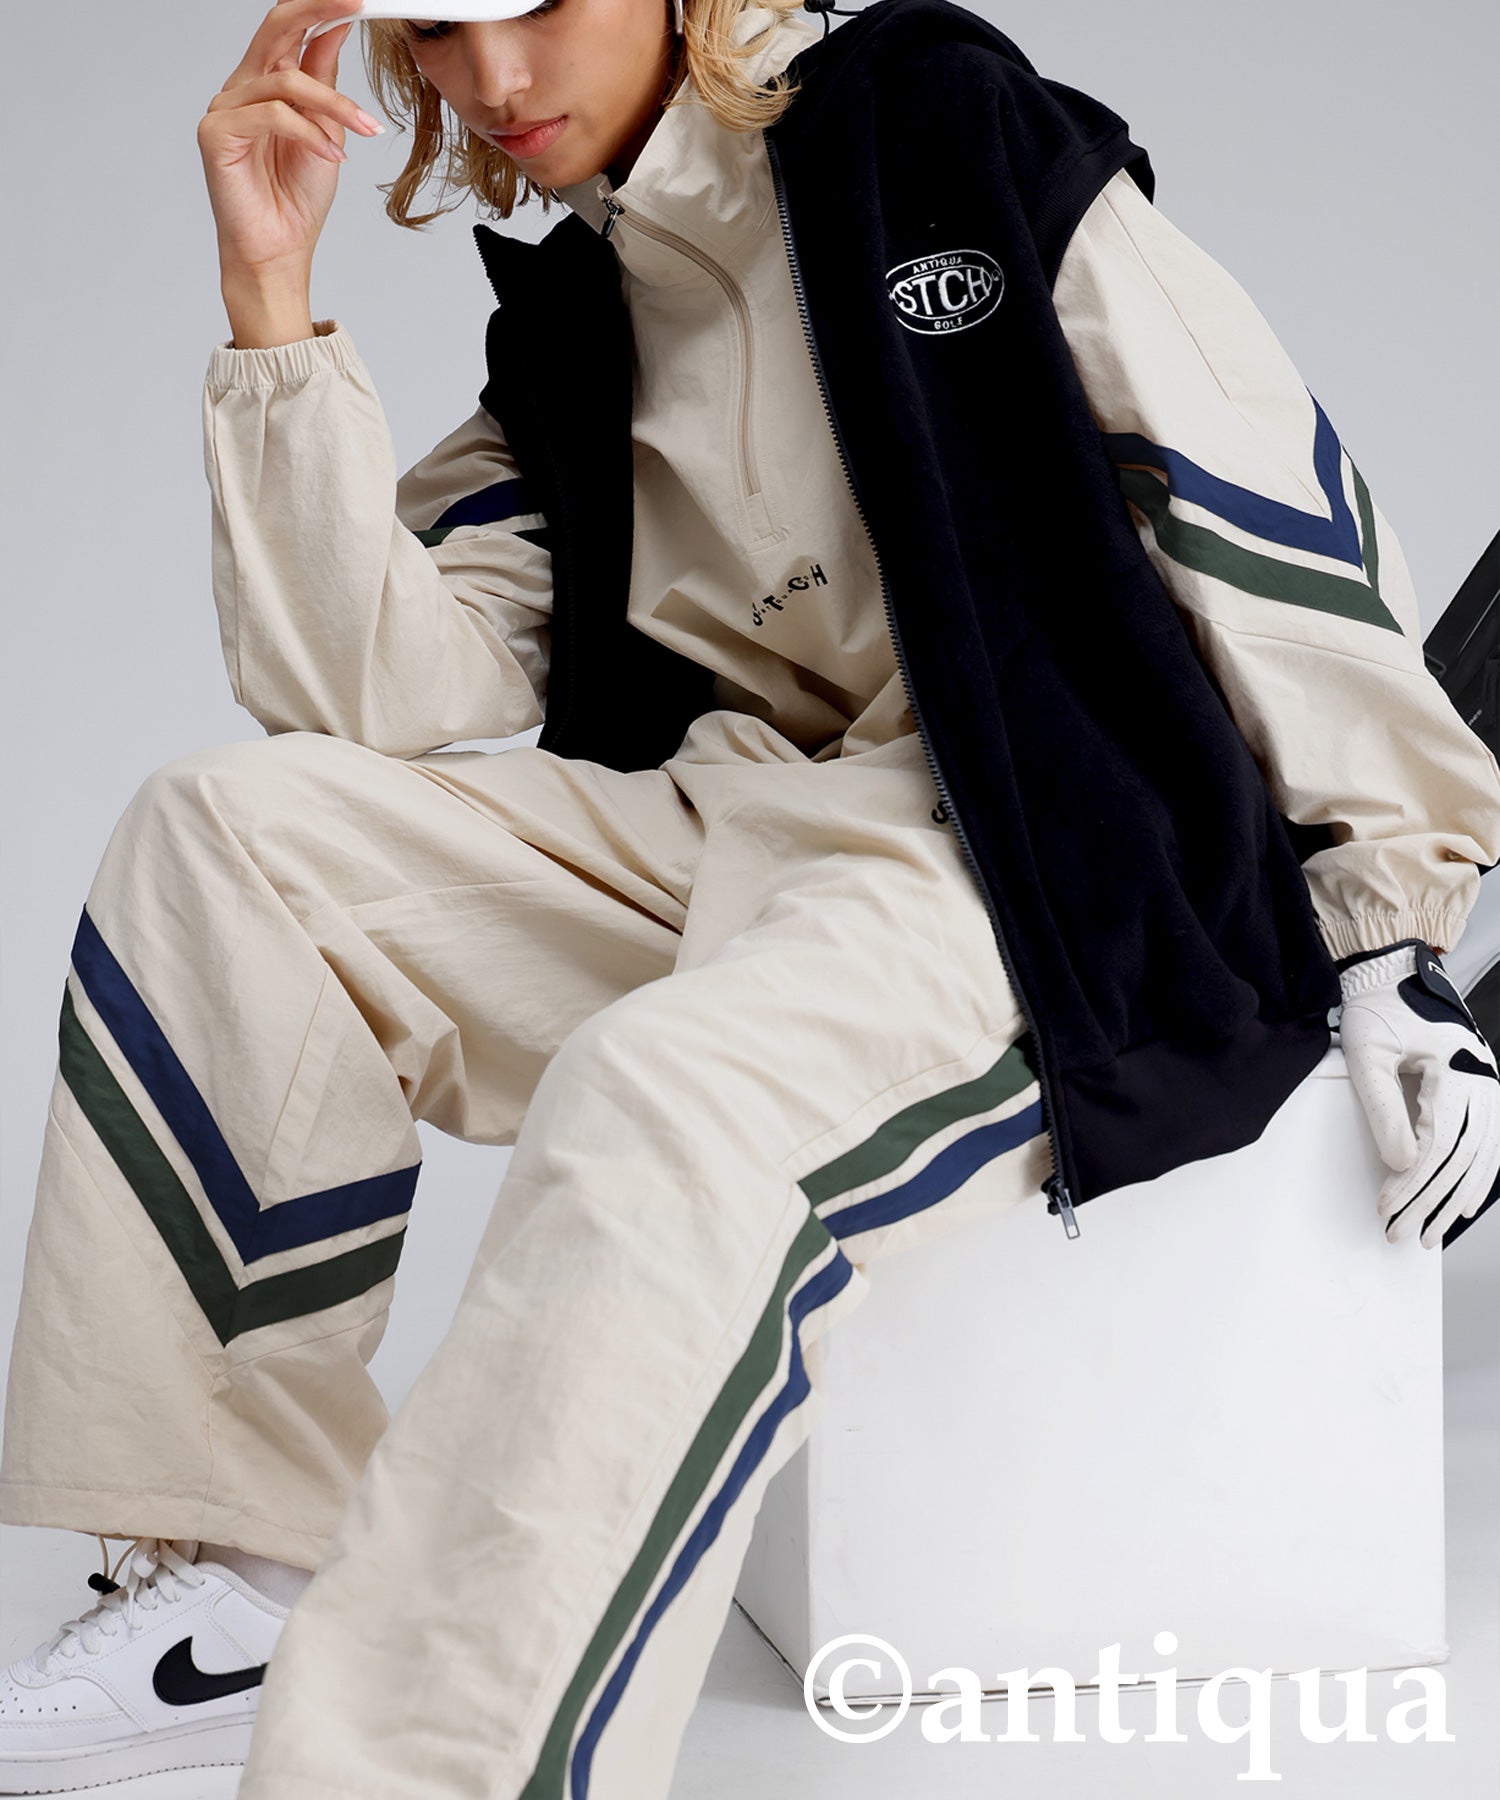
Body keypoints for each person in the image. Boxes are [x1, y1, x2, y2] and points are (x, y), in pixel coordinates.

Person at [2, 0, 1498, 1793]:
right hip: (740, 829)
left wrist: (1392, 922)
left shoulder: (932, 126)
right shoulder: (579, 321)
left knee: (659, 1100)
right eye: (441, 31)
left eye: (538, 8)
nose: (492, 80)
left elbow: (1249, 484)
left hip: (1023, 854)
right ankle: (241, 1581)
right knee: (231, 837)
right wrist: (268, 294)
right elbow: (365, 689)